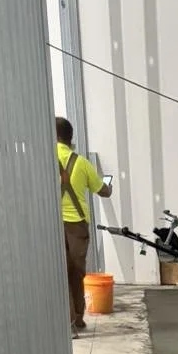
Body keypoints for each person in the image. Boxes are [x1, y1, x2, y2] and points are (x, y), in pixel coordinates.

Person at [55, 117, 111, 334]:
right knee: (76, 273)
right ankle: (77, 318)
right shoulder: (82, 163)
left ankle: (69, 322)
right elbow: (104, 192)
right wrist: (108, 184)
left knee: (61, 271)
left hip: (52, 225)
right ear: (70, 138)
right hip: (77, 226)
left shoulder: (44, 159)